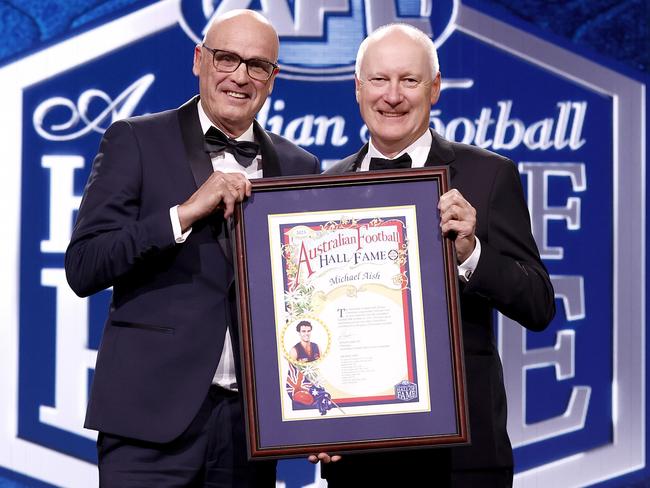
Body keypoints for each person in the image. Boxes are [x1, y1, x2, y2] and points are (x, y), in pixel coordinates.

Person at [65, 9, 319, 487]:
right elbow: (84, 266)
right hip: (147, 424)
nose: (240, 77)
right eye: (227, 58)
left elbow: (311, 299)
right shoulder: (136, 140)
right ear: (199, 59)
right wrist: (181, 215)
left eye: (257, 65)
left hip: (250, 429)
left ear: (273, 78)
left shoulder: (299, 165)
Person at [315, 24, 555, 487]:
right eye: (380, 80)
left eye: (410, 80)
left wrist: (471, 253)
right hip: (359, 457)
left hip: (462, 458)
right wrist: (313, 418)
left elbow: (539, 305)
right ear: (358, 88)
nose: (393, 96)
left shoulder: (487, 175)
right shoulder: (326, 186)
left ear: (435, 88)